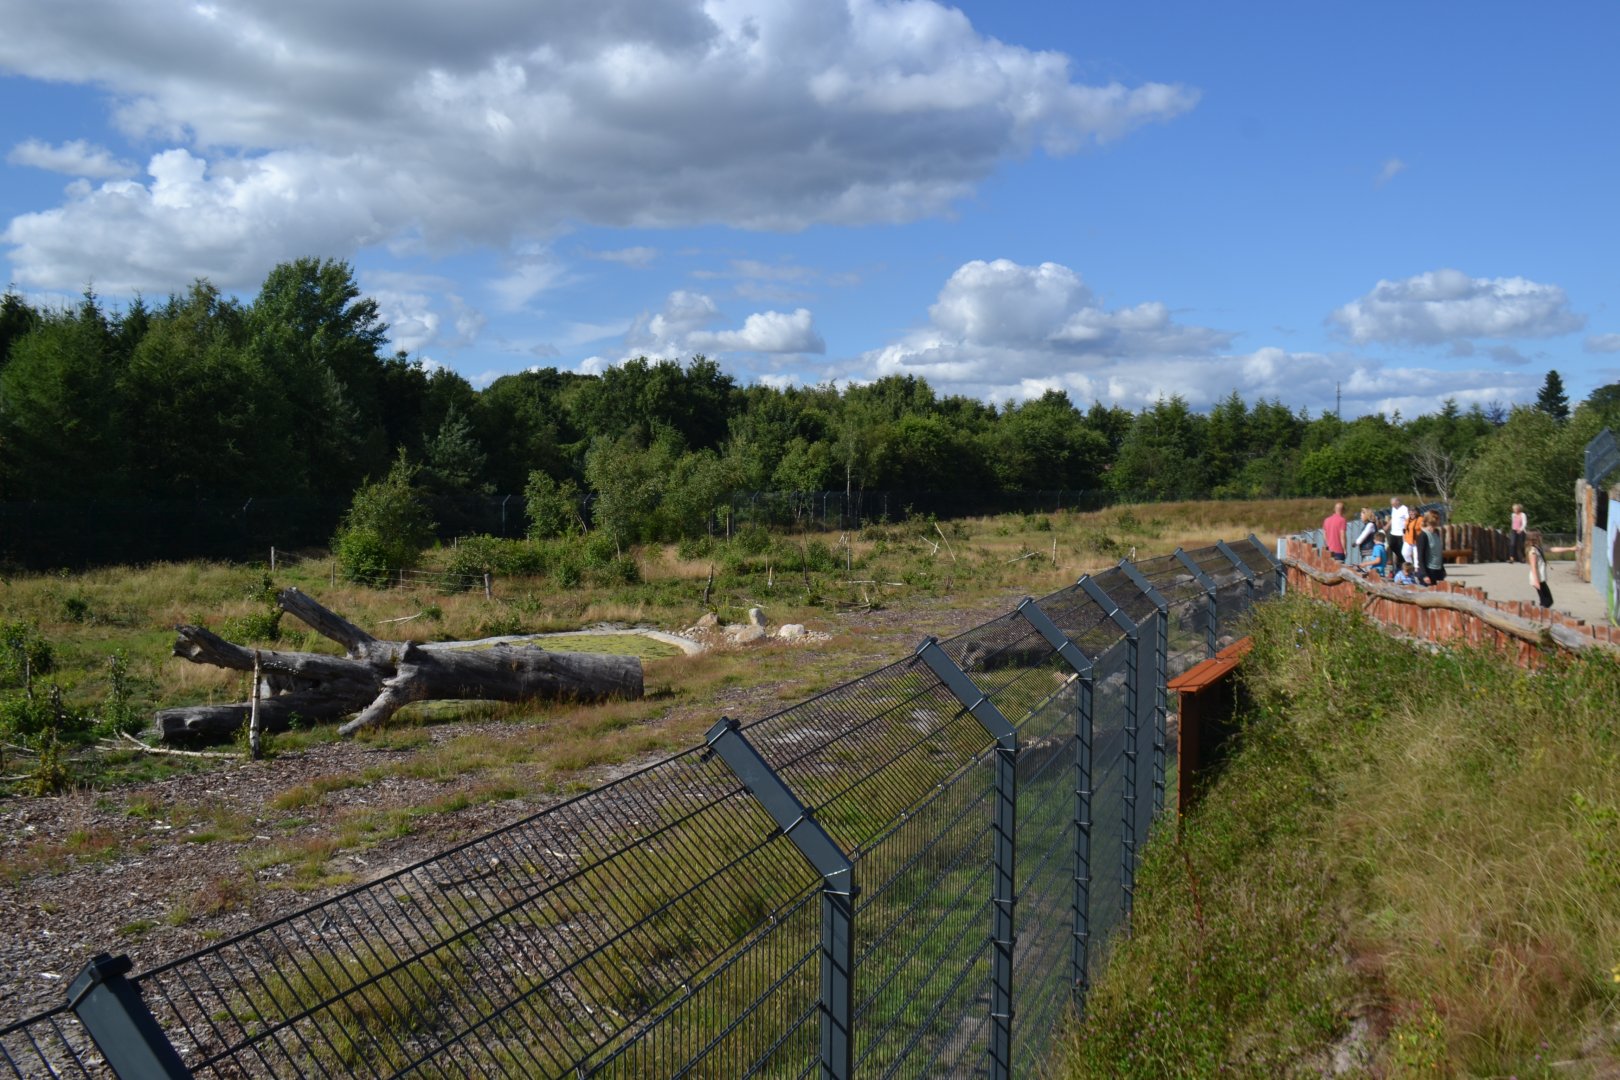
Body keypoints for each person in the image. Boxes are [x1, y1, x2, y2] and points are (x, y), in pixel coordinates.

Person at [1415, 510, 1446, 585]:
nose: (1440, 521)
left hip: (1437, 570)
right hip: (1428, 571)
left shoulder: (1436, 533)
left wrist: (1442, 569)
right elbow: (1420, 556)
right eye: (1438, 519)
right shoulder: (1423, 535)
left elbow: (1438, 552)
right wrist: (1424, 574)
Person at [1526, 542, 1553, 607]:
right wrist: (1536, 581)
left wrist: (1570, 548)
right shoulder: (1533, 551)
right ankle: (1540, 613)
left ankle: (1541, 612)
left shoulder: (1538, 548)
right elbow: (1533, 567)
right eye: (1539, 536)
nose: (1541, 538)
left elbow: (1552, 549)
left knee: (1546, 601)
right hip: (1537, 578)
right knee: (1547, 601)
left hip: (1540, 578)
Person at [1388, 497, 1410, 569]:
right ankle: (1400, 561)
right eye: (1391, 504)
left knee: (1401, 550)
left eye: (1393, 504)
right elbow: (1393, 518)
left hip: (1401, 533)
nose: (1392, 506)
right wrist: (1387, 525)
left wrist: (1405, 530)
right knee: (1391, 545)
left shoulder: (1404, 509)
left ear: (1398, 502)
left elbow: (1408, 520)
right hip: (1393, 532)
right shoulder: (1394, 509)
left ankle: (1402, 564)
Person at [1402, 506, 1423, 572]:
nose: (1412, 513)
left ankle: (1417, 568)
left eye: (1413, 511)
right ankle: (1410, 566)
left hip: (1417, 540)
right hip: (1408, 539)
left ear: (1417, 512)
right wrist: (1404, 537)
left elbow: (1423, 529)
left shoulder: (1421, 519)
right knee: (1405, 553)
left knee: (1416, 555)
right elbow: (1405, 529)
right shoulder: (1407, 519)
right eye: (1410, 512)